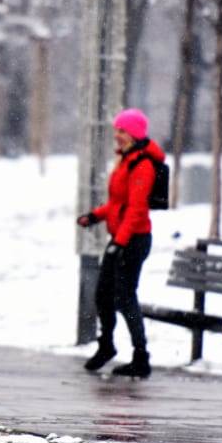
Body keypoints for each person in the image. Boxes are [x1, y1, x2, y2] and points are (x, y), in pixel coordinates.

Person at [76, 108, 166, 379]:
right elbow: (118, 203)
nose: (117, 135)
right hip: (122, 239)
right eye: (116, 130)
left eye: (122, 131)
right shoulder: (126, 161)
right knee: (104, 294)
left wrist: (120, 243)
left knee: (126, 297)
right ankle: (107, 345)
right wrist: (95, 216)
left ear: (135, 134)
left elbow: (137, 210)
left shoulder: (143, 165)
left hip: (134, 241)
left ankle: (141, 357)